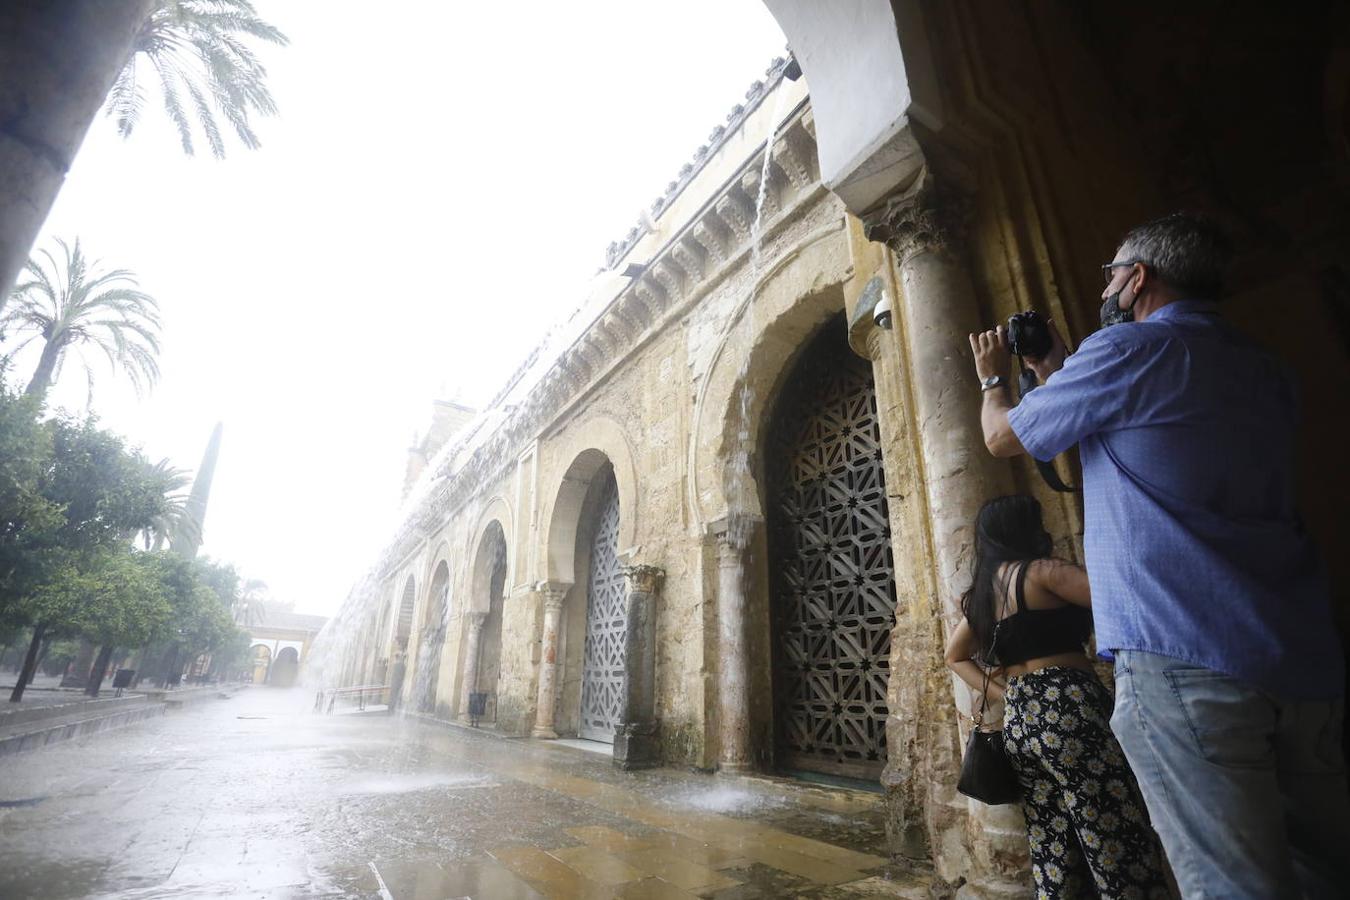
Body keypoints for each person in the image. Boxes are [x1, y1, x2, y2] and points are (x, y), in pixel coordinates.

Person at [969, 212, 1350, 898]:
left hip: (1184, 659)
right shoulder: (1268, 368)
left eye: (1109, 275)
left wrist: (996, 378)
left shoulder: (1128, 352)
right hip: (1302, 659)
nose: (1106, 288)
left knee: (1232, 883)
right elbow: (1154, 454)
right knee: (1319, 872)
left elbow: (1003, 439)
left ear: (1136, 278)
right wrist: (1058, 370)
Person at [947, 495, 1169, 899]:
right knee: (1110, 825)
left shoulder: (981, 595)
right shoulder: (1042, 572)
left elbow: (954, 656)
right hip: (1069, 707)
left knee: (1051, 838)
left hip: (1021, 720)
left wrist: (1009, 694)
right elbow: (1121, 597)